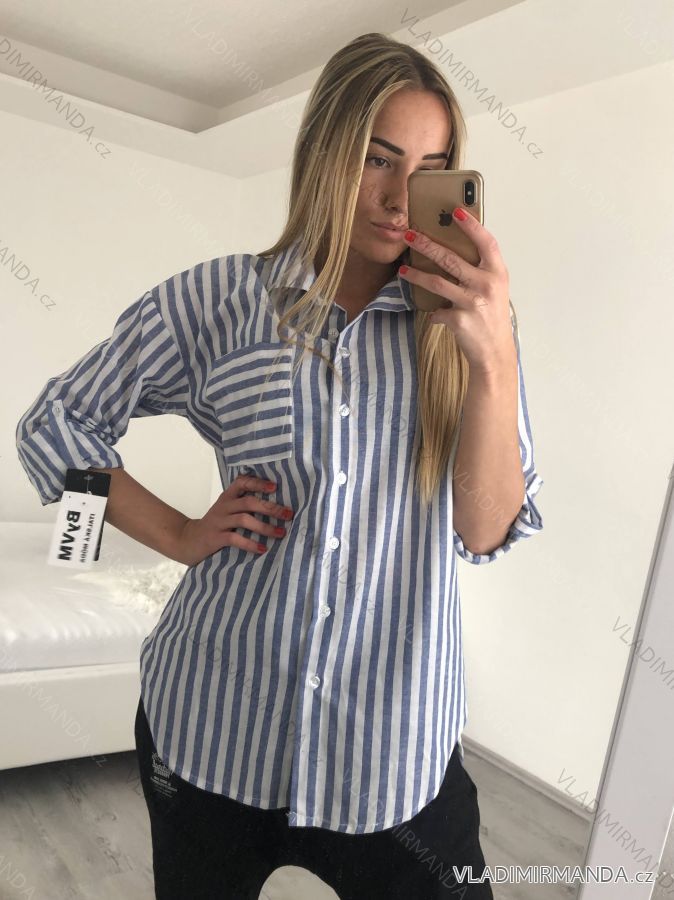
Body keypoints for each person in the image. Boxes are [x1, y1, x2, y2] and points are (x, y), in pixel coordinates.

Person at [16, 31, 543, 900]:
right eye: (377, 158)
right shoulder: (220, 300)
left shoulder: (469, 327)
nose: (399, 196)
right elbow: (55, 425)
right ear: (324, 150)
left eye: (430, 167)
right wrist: (179, 534)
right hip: (213, 731)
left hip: (393, 756)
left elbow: (484, 532)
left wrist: (493, 359)